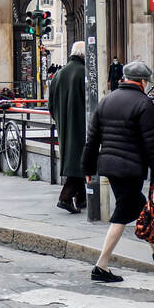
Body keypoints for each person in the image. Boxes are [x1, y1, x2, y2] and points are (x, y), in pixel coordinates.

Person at [82, 60, 154, 281]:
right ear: (142, 81)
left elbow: (92, 139)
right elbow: (151, 143)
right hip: (131, 168)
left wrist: (88, 167)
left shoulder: (106, 101)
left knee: (140, 206)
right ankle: (101, 265)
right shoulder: (144, 103)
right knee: (123, 211)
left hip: (109, 166)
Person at [49, 42, 88, 214]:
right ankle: (65, 197)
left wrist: (59, 118)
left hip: (63, 124)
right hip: (81, 124)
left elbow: (50, 104)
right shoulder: (84, 73)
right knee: (80, 160)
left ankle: (81, 199)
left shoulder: (59, 74)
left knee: (74, 158)